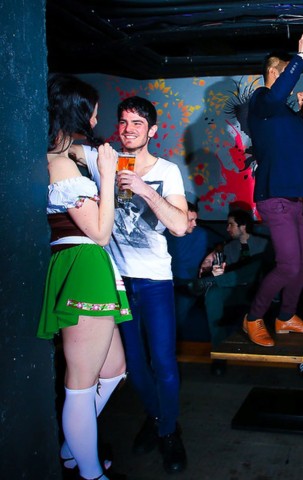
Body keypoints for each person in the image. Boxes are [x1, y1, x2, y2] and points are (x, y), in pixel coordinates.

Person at [77, 96, 189, 473]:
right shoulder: (103, 160)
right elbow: (63, 148)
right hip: (117, 280)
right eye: (123, 122)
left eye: (137, 123)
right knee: (135, 367)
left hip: (155, 279)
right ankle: (159, 419)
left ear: (152, 130)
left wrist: (144, 189)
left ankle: (168, 432)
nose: (128, 129)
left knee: (164, 363)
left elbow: (178, 225)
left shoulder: (167, 171)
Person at [40, 74, 131, 480]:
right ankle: (90, 474)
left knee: (114, 371)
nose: (96, 121)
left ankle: (71, 447)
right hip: (82, 262)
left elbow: (80, 149)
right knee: (80, 382)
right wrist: (107, 177)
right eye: (92, 113)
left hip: (88, 264)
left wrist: (92, 155)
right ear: (77, 114)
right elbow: (100, 232)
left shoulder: (67, 155)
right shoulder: (59, 164)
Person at [243, 28, 303, 347]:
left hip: (294, 198)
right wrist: (301, 56)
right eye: (287, 72)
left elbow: (290, 142)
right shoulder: (261, 100)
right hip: (274, 196)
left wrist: (302, 112)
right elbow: (276, 96)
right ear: (275, 72)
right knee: (288, 264)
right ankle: (253, 318)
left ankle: (286, 317)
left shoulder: (279, 112)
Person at [198, 209, 271, 348]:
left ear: (242, 226)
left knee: (255, 265)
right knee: (213, 293)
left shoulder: (264, 243)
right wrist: (218, 273)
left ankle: (207, 282)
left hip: (257, 288)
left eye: (231, 224)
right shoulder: (229, 247)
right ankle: (218, 347)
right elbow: (226, 269)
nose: (227, 229)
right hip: (235, 288)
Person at [166, 200, 217, 340]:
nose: (194, 224)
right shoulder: (164, 234)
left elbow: (223, 243)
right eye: (190, 220)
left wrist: (210, 257)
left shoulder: (200, 233)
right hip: (167, 282)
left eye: (195, 220)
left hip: (189, 284)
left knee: (178, 317)